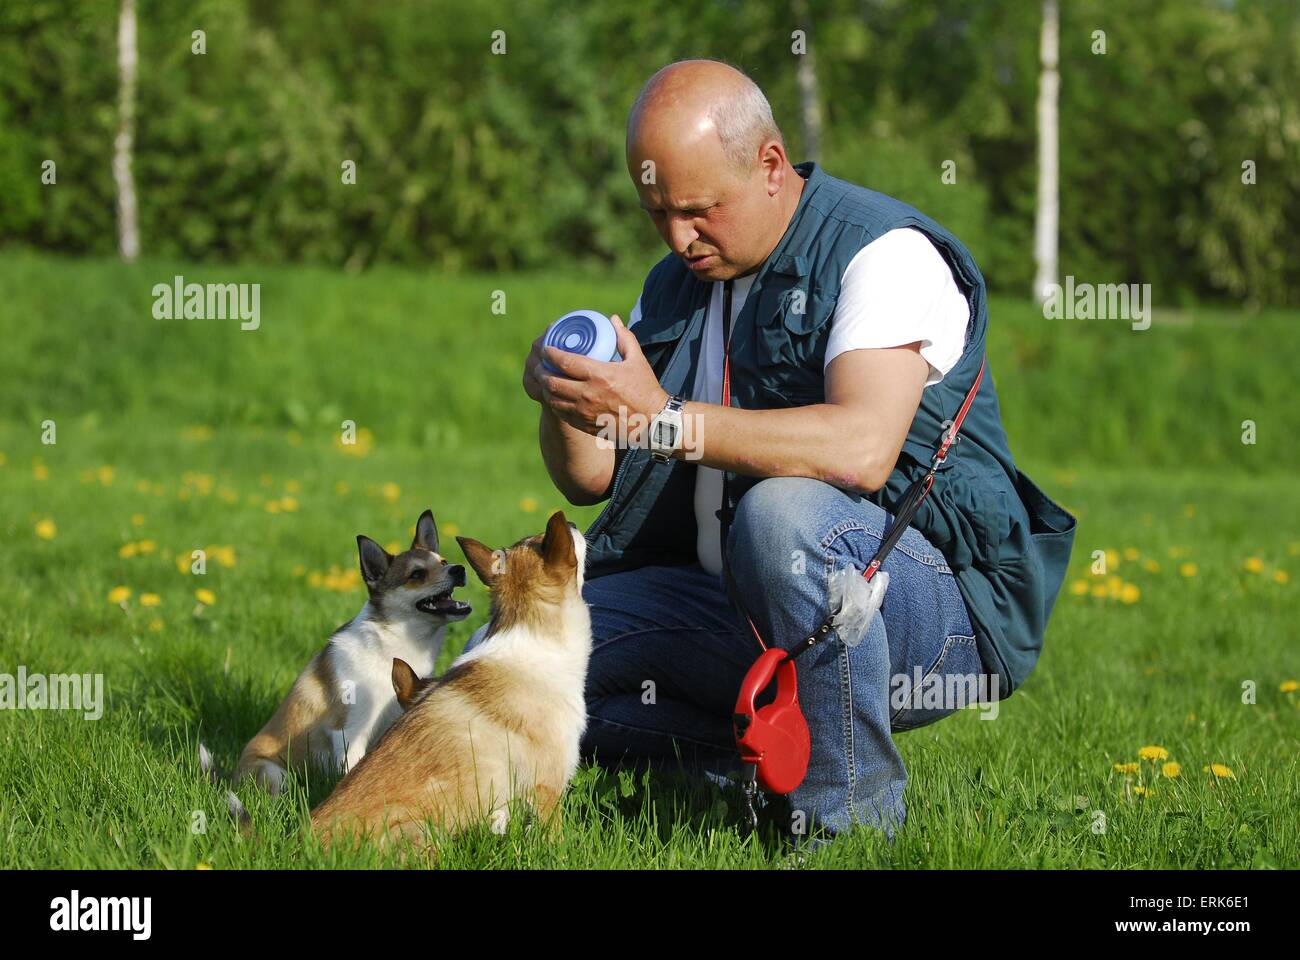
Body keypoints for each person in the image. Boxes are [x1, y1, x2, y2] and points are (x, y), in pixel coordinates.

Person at [472, 58, 1077, 841]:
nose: (678, 237)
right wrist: (565, 399)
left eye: (697, 210)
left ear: (768, 165)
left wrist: (661, 417)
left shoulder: (883, 253)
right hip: (729, 603)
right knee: (520, 659)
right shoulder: (672, 284)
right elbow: (590, 478)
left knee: (785, 517)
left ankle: (847, 829)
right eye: (656, 212)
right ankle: (746, 770)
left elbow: (860, 449)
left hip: (930, 612)